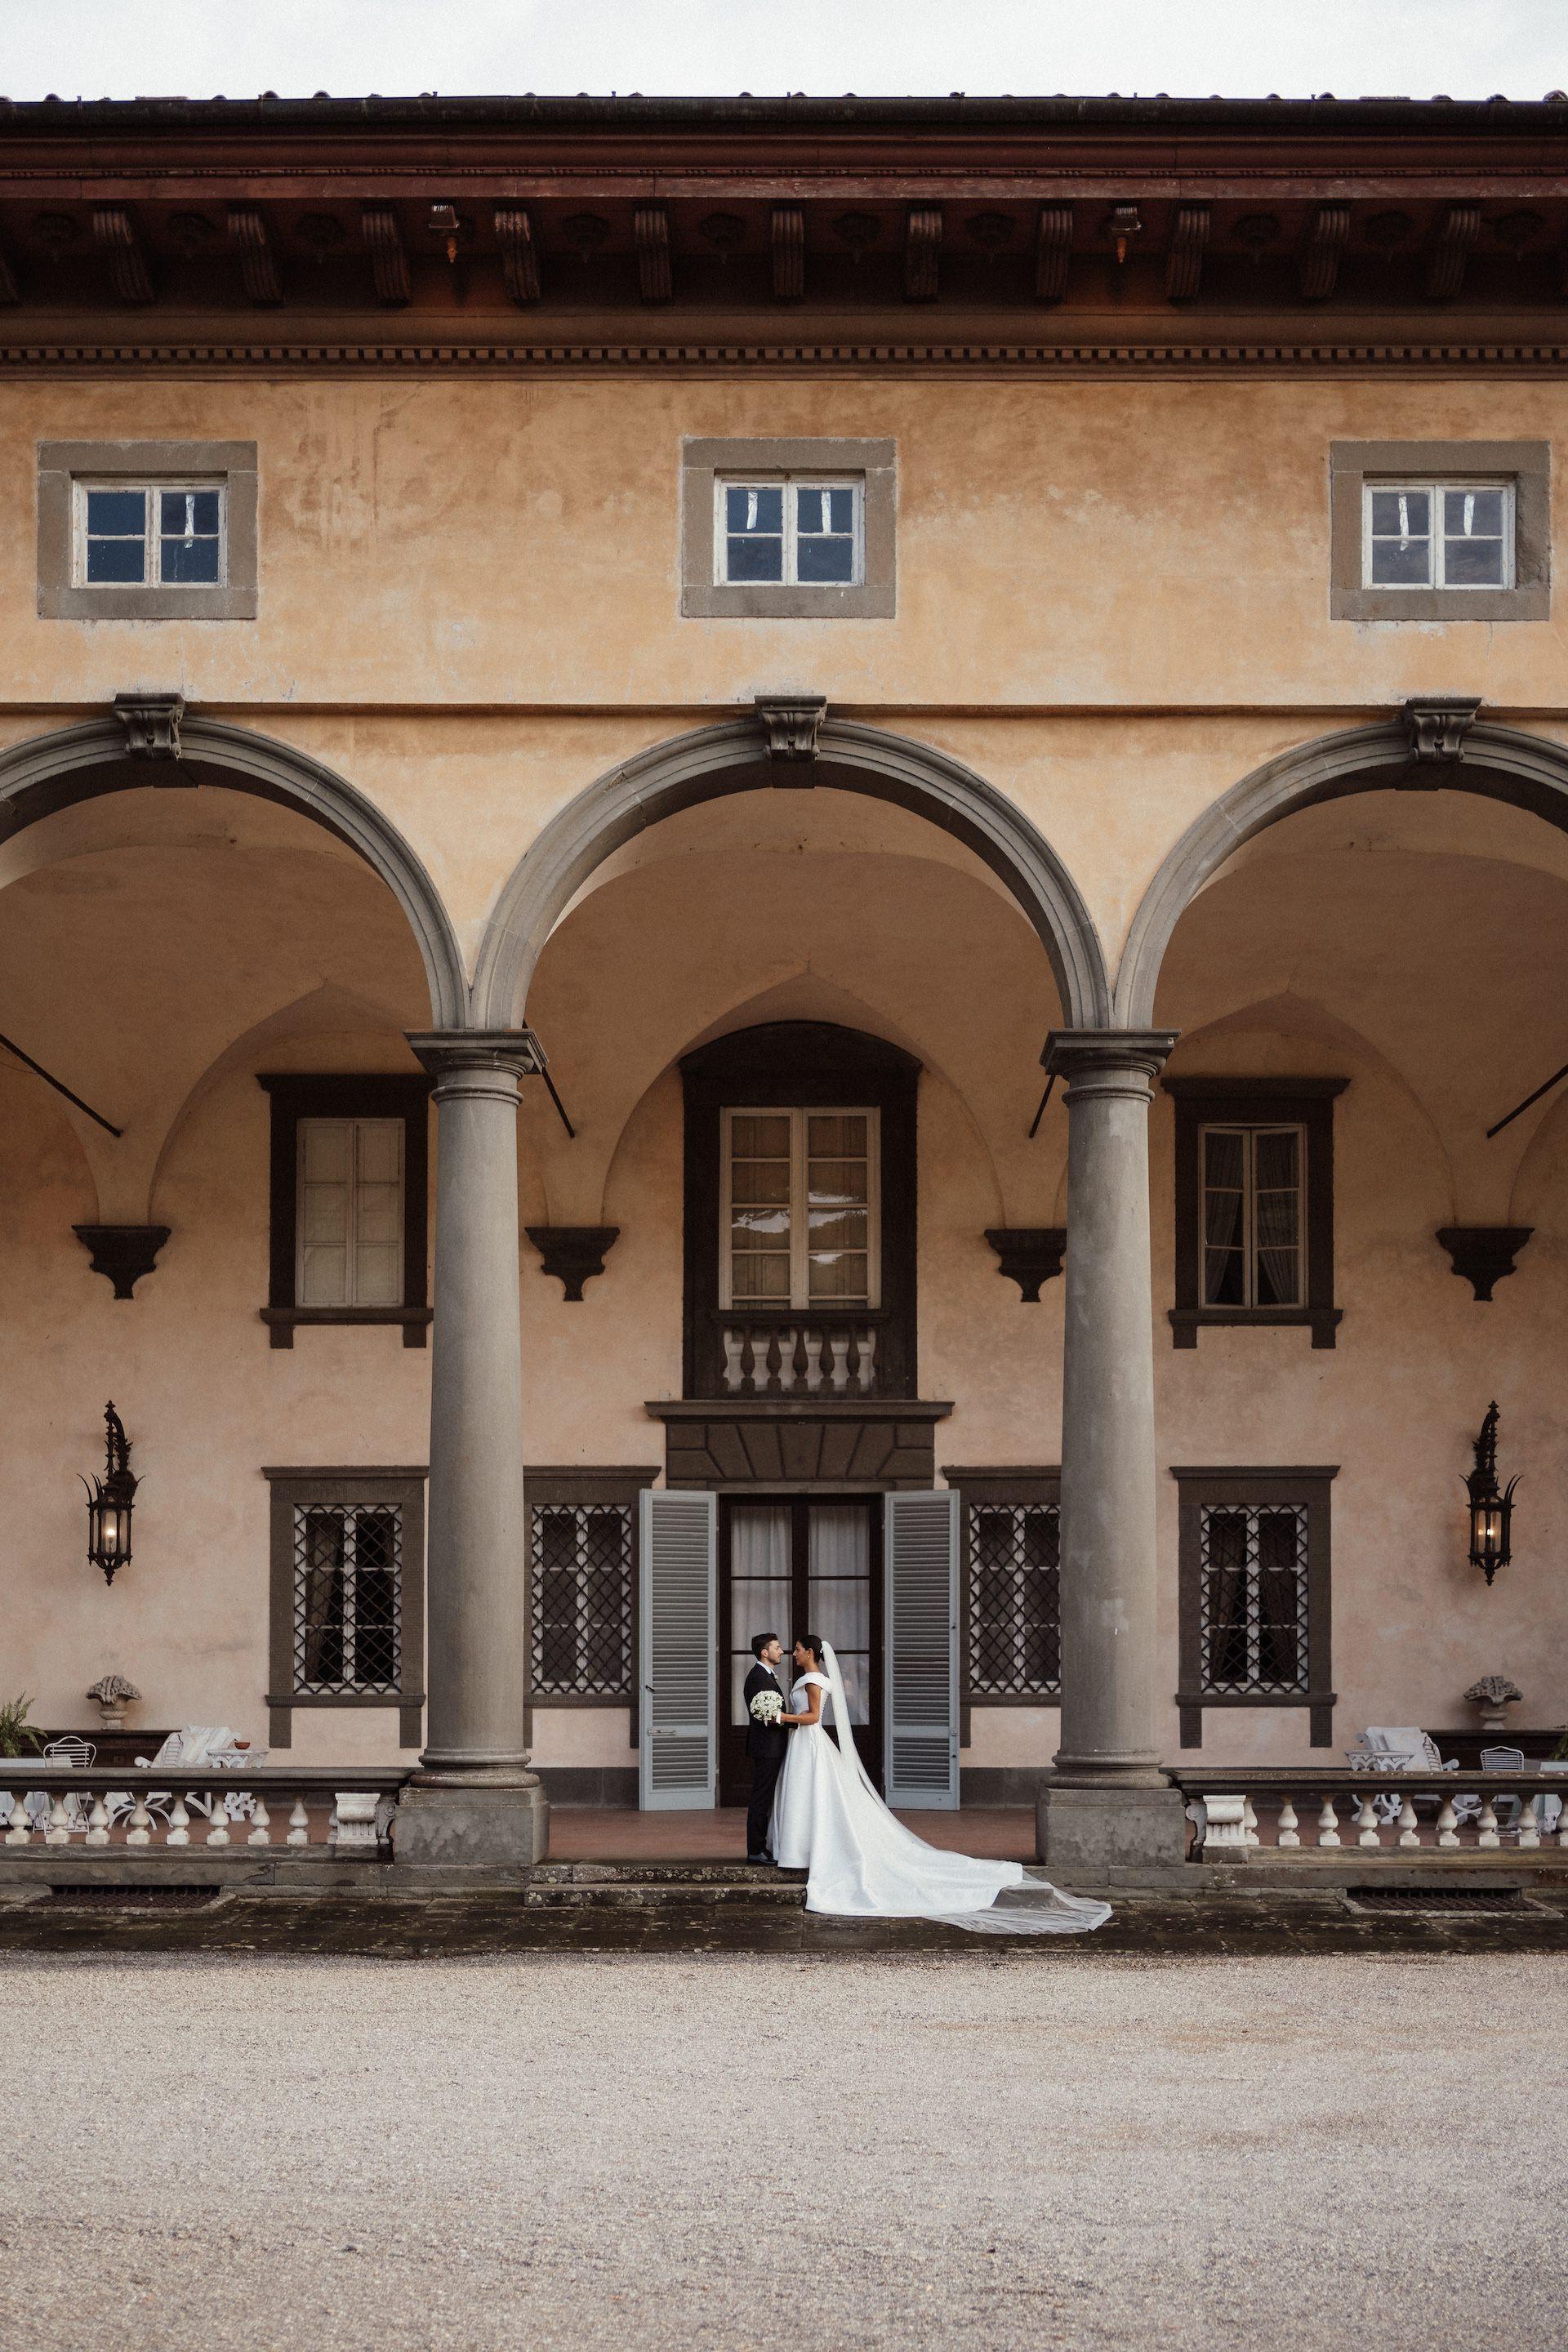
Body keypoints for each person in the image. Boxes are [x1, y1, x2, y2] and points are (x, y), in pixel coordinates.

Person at [770, 1634, 1111, 1936]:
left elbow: (813, 1717)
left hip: (810, 1742)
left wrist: (781, 1717)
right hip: (804, 1744)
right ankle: (800, 1849)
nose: (792, 1653)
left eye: (797, 1649)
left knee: (815, 1796)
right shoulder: (810, 1677)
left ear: (811, 1652)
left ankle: (805, 1850)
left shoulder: (814, 1679)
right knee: (810, 1797)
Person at [742, 1632, 788, 1864]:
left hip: (770, 1747)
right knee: (761, 1797)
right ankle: (756, 1850)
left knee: (765, 1796)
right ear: (765, 1652)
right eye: (777, 1647)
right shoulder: (759, 1677)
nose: (781, 1651)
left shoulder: (765, 1675)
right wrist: (794, 1719)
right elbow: (768, 1716)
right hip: (767, 1748)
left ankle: (760, 1846)